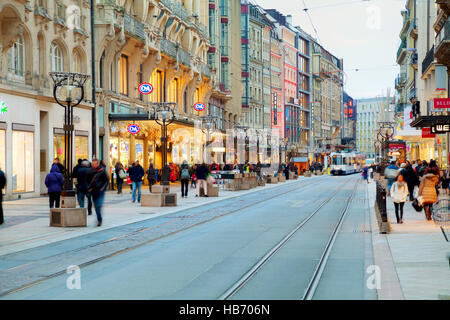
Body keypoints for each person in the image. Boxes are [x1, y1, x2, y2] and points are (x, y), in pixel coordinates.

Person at [88, 159, 109, 227]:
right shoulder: (90, 171)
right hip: (94, 191)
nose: (93, 165)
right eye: (92, 164)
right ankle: (99, 219)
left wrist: (103, 187)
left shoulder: (102, 171)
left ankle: (99, 220)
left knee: (98, 205)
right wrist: (89, 187)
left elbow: (107, 180)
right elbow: (87, 181)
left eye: (95, 164)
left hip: (100, 191)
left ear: (98, 164)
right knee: (97, 207)